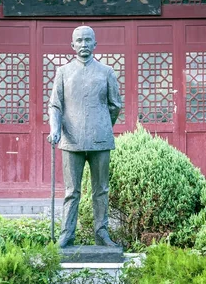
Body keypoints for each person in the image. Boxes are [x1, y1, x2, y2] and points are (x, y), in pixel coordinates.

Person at [48, 25, 122, 248]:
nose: (84, 45)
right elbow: (55, 105)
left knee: (101, 190)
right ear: (72, 45)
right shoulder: (63, 72)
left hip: (100, 140)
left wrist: (101, 125)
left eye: (88, 40)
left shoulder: (106, 72)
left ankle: (102, 233)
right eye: (79, 41)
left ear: (95, 44)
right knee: (72, 191)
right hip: (71, 140)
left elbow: (115, 105)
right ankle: (66, 234)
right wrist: (55, 129)